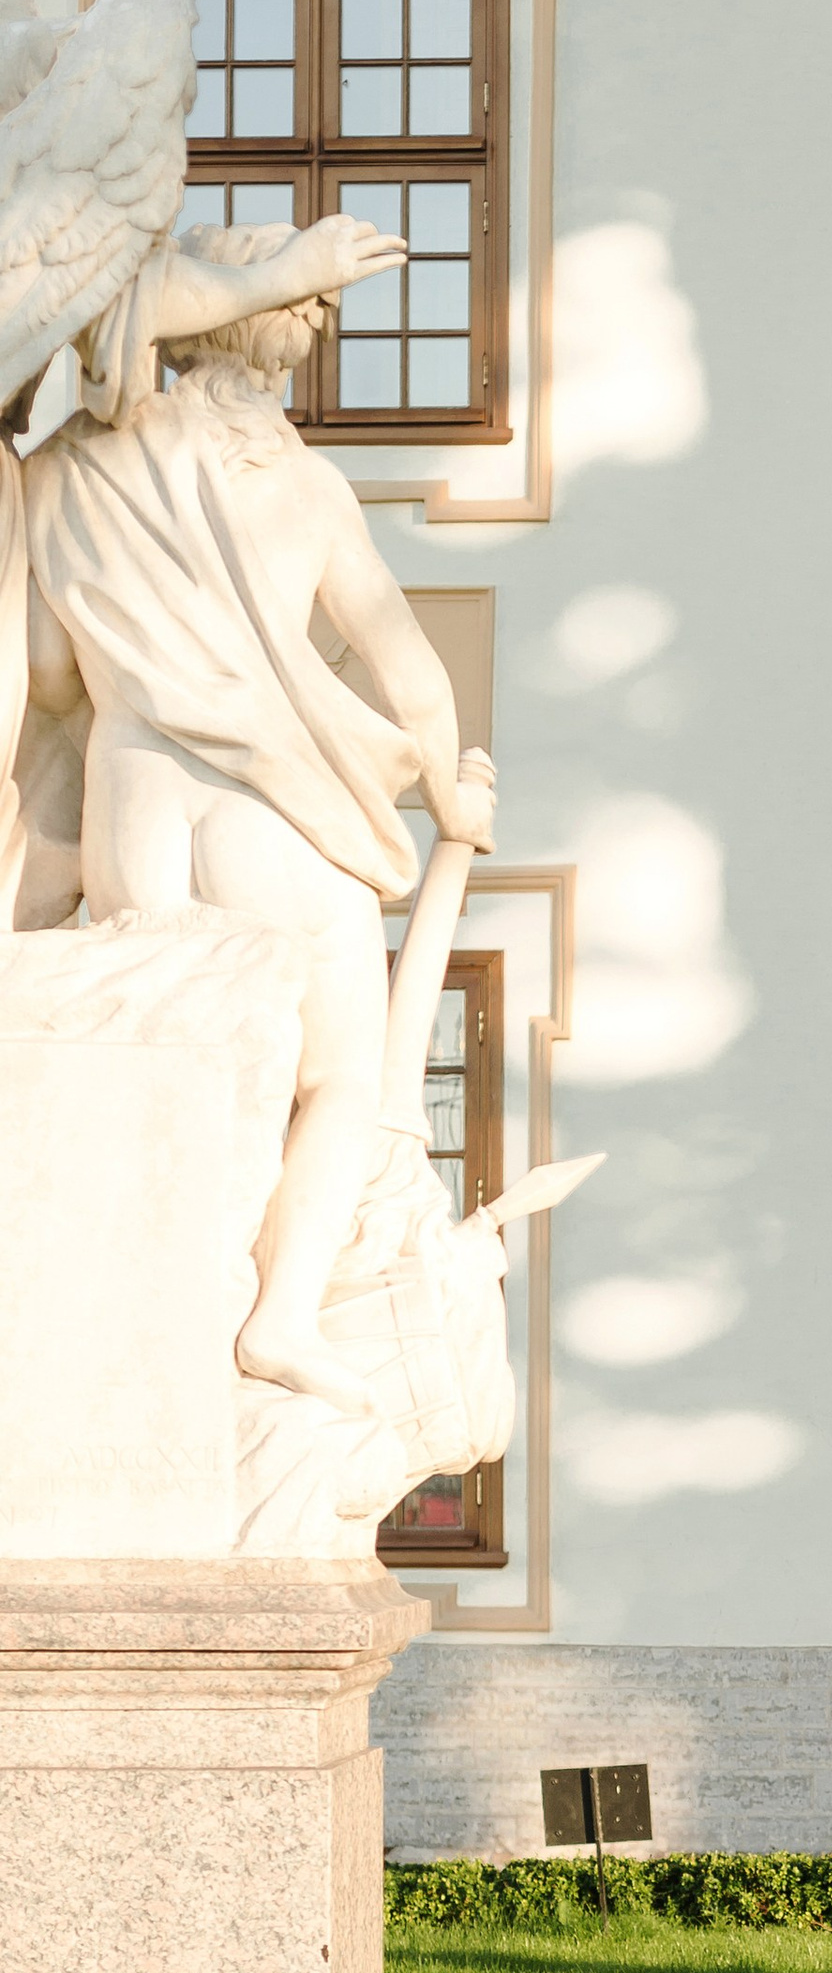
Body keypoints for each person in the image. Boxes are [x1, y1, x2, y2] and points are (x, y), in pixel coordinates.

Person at [21, 225, 492, 1417]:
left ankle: (132, 1331)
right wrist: (449, 796)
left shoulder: (73, 468)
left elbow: (49, 677)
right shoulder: (303, 484)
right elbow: (410, 672)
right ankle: (279, 1319)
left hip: (136, 790)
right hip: (269, 809)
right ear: (279, 346)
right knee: (335, 1078)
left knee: (169, 1080)